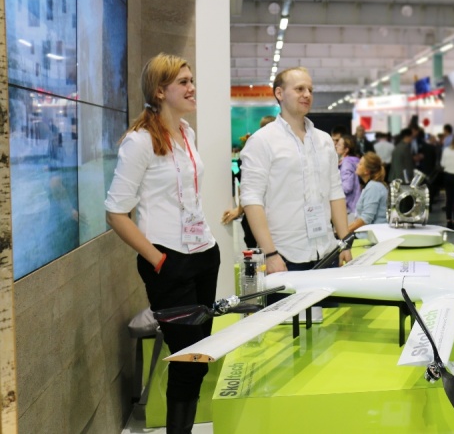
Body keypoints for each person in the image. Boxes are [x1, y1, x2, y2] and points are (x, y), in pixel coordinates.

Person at [105, 53, 220, 433]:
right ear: (160, 91)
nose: (192, 88)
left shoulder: (187, 133)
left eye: (192, 80)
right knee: (185, 361)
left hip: (205, 254)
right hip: (168, 261)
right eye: (183, 82)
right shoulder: (138, 143)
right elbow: (116, 213)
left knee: (198, 360)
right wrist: (157, 260)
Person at [239, 66, 352, 277]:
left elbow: (335, 193)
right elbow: (252, 200)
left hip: (327, 251)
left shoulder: (324, 140)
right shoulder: (262, 141)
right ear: (279, 93)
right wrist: (270, 253)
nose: (307, 94)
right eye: (300, 89)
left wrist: (345, 242)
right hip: (284, 255)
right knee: (288, 311)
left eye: (310, 89)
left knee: (326, 311)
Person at [223, 115, 276, 248]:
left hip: (266, 213)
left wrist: (240, 210)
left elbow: (244, 187)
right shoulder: (255, 149)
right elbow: (246, 187)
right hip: (259, 213)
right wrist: (240, 210)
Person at [347, 152, 389, 232]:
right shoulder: (374, 185)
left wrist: (344, 232)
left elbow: (366, 219)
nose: (357, 165)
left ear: (366, 171)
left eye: (360, 164)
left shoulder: (373, 187)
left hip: (371, 238)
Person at [336, 134, 362, 221]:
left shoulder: (346, 163)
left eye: (339, 144)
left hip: (349, 207)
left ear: (346, 149)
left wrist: (333, 187)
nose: (336, 146)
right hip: (356, 205)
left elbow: (347, 187)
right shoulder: (356, 161)